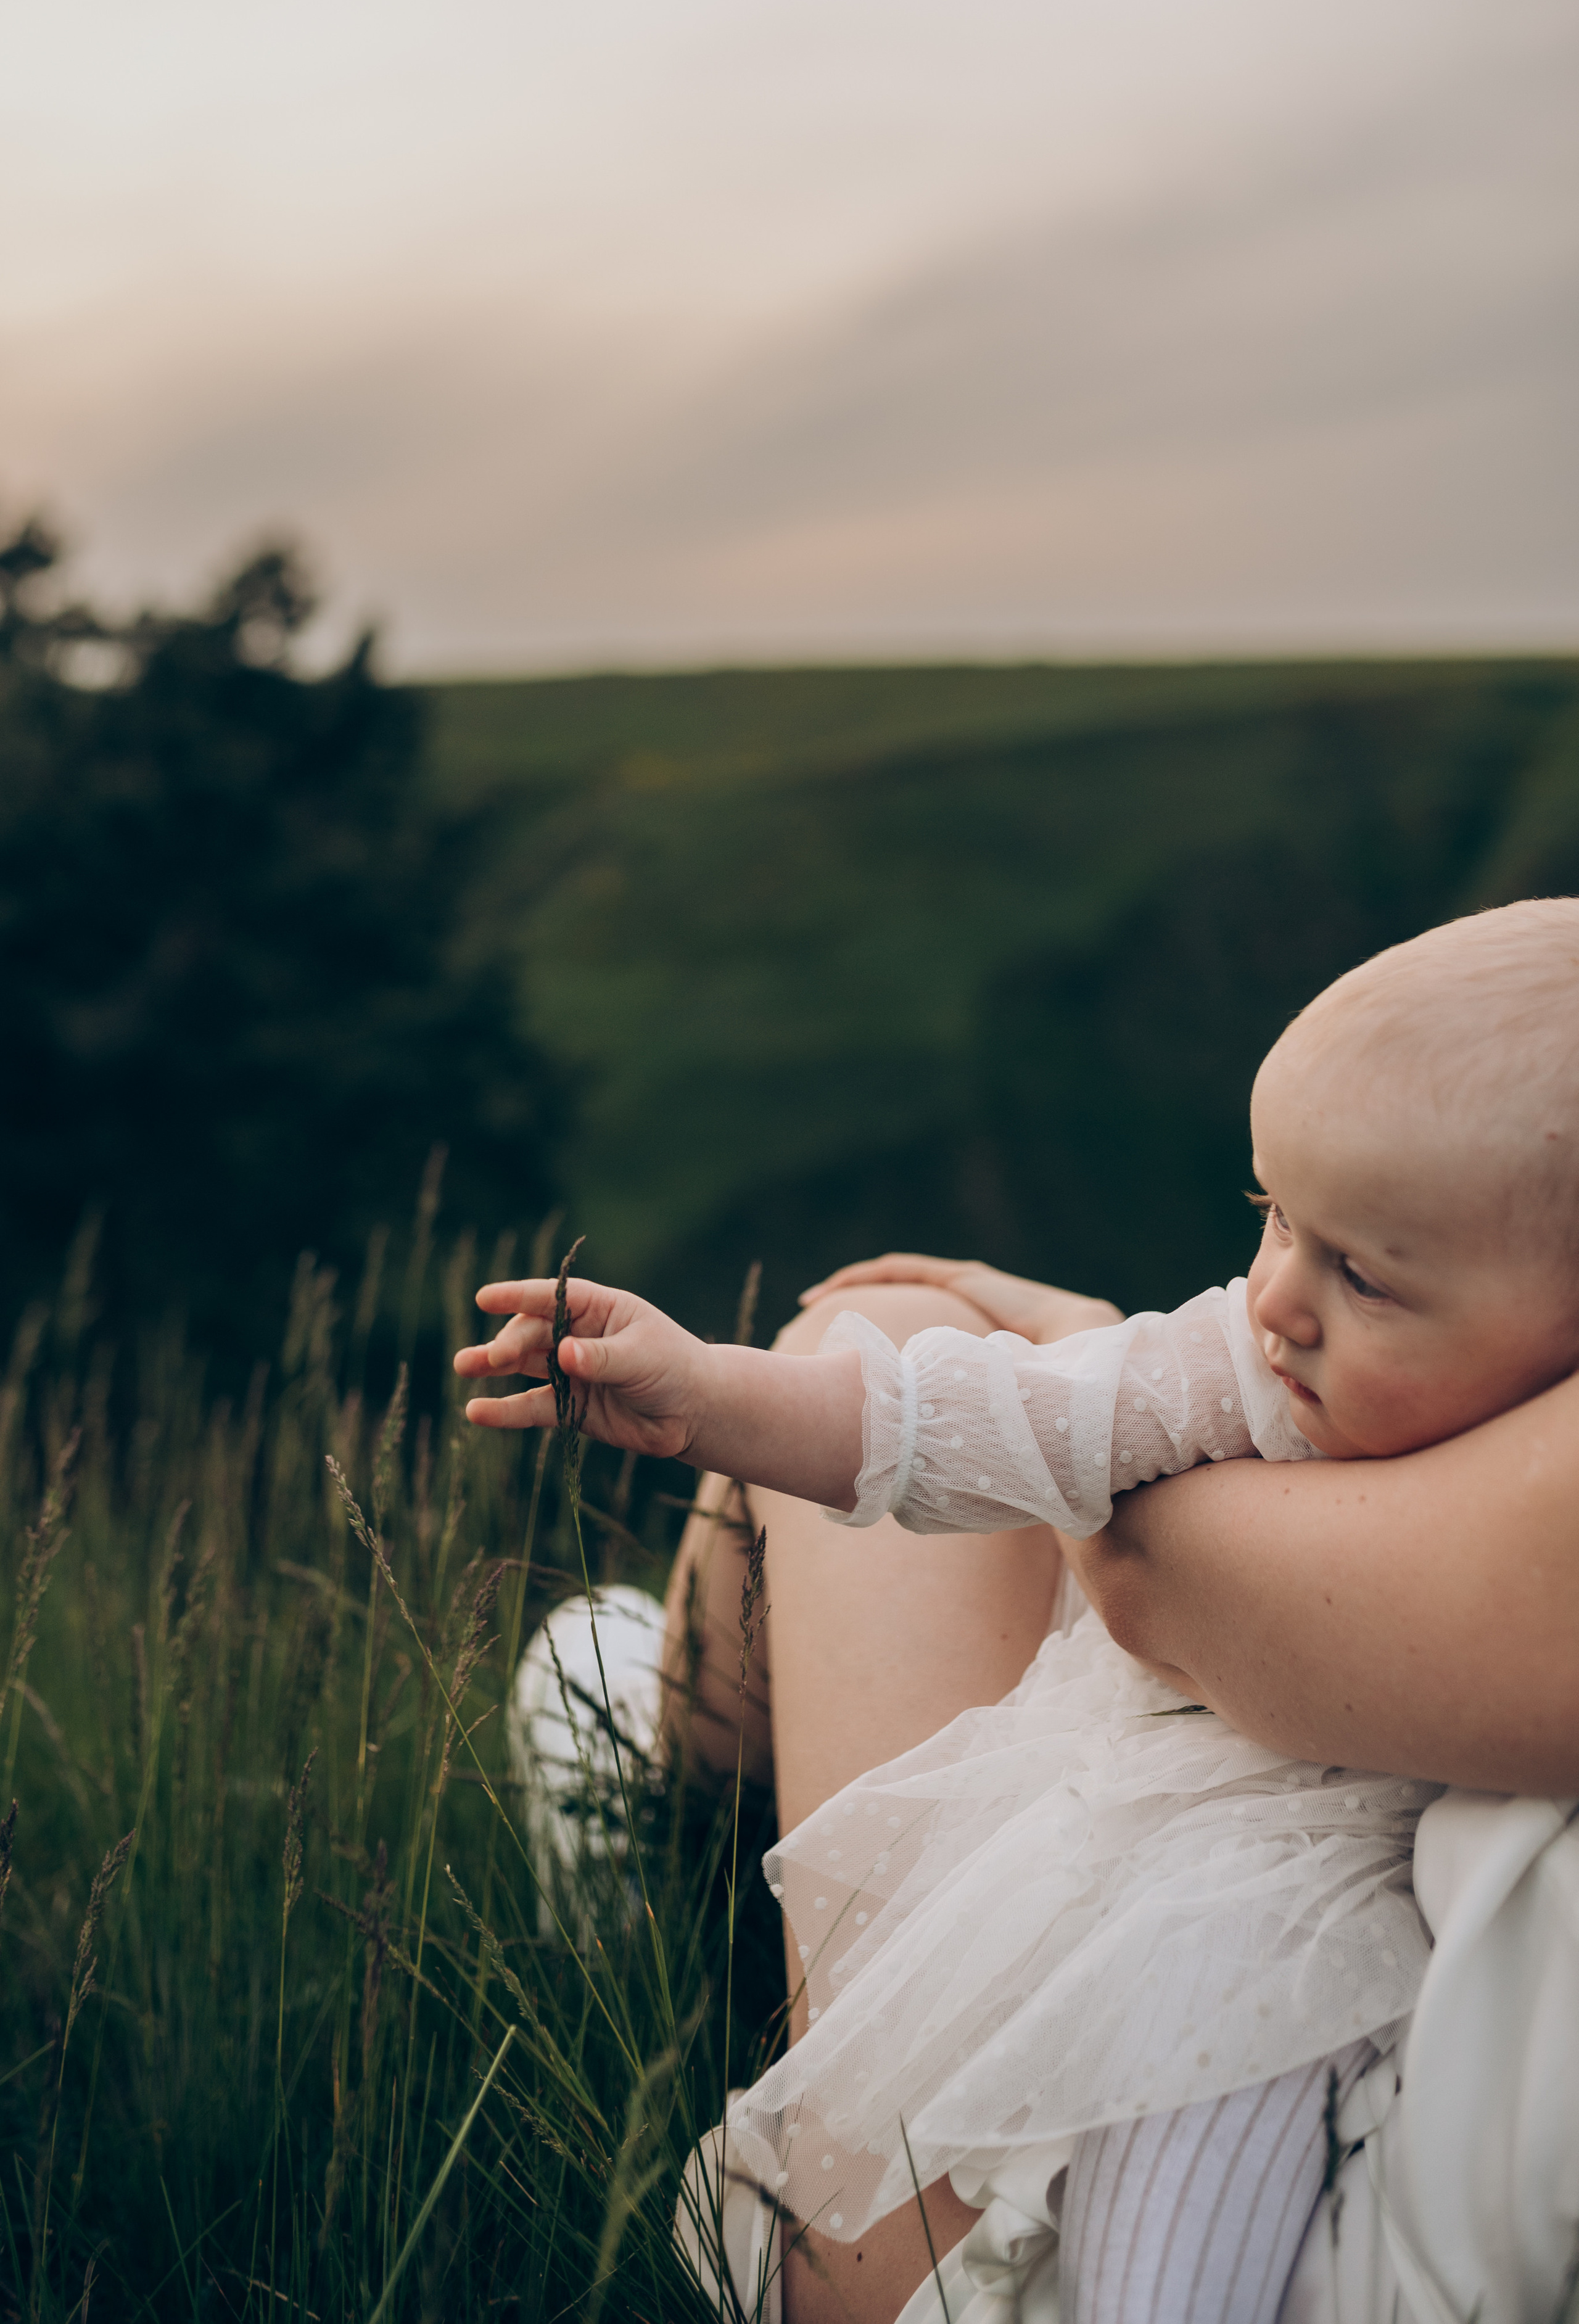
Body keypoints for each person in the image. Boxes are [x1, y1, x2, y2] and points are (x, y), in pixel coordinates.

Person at [458, 902, 1579, 2324]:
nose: (1272, 1302)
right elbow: (981, 1421)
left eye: (1361, 1274)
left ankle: (650, 1792)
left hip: (1251, 1931)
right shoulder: (1266, 1362)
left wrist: (1074, 1368)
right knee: (919, 1356)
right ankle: (655, 1818)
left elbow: (1143, 1571)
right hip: (1239, 1875)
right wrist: (716, 1395)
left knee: (1186, 2033)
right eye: (1271, 1220)